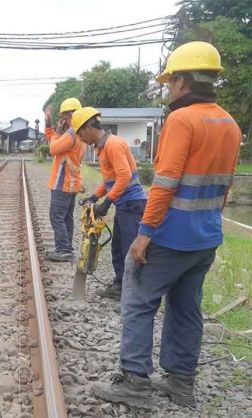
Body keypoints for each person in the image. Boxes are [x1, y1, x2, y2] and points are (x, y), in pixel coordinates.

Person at [92, 41, 241, 409]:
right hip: (206, 237)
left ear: (180, 81)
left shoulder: (181, 120)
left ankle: (135, 382)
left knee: (139, 298)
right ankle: (180, 382)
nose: (168, 88)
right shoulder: (230, 124)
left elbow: (165, 183)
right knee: (186, 307)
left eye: (170, 81)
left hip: (170, 236)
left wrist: (144, 235)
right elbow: (225, 187)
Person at [72, 107, 147, 300]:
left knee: (129, 250)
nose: (80, 139)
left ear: (89, 127)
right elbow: (110, 180)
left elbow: (124, 176)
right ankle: (121, 286)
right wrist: (95, 198)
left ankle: (132, 293)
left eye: (80, 133)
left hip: (132, 204)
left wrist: (107, 202)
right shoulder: (103, 147)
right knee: (118, 249)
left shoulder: (113, 145)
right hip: (125, 205)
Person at [44, 98, 87, 262]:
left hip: (63, 183)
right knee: (66, 217)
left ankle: (63, 249)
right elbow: (54, 140)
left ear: (73, 114)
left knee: (56, 216)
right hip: (71, 183)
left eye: (66, 117)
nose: (64, 120)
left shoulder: (72, 133)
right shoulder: (79, 133)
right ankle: (66, 247)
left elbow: (53, 147)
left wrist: (56, 133)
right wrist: (50, 127)